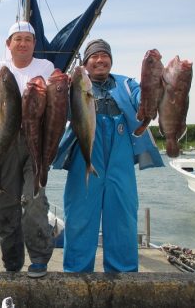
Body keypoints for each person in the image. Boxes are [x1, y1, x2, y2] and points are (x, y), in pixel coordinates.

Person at [53, 39, 164, 272]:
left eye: (105, 55)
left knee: (123, 220)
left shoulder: (127, 84)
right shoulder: (76, 86)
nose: (100, 60)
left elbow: (142, 101)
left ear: (111, 60)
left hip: (120, 163)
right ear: (85, 63)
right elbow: (56, 109)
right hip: (84, 157)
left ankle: (123, 278)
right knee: (79, 219)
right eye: (94, 56)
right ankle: (77, 277)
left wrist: (155, 85)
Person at [0, 21, 55, 278]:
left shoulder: (45, 67)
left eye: (28, 39)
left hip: (34, 139)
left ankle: (38, 258)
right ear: (9, 44)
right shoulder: (0, 68)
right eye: (18, 39)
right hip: (4, 138)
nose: (23, 43)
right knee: (5, 204)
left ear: (34, 43)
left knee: (34, 200)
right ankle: (12, 262)